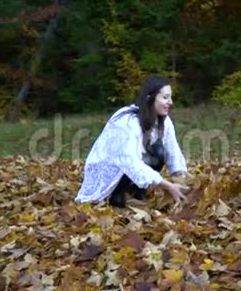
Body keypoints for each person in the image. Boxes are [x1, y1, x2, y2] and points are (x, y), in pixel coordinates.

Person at [75, 75, 189, 207]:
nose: (171, 102)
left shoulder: (164, 120)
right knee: (120, 198)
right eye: (165, 97)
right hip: (112, 168)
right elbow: (129, 162)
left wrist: (181, 177)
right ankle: (116, 195)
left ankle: (135, 191)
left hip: (131, 167)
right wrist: (168, 185)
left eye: (170, 97)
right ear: (149, 98)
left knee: (158, 152)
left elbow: (172, 151)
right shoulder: (129, 121)